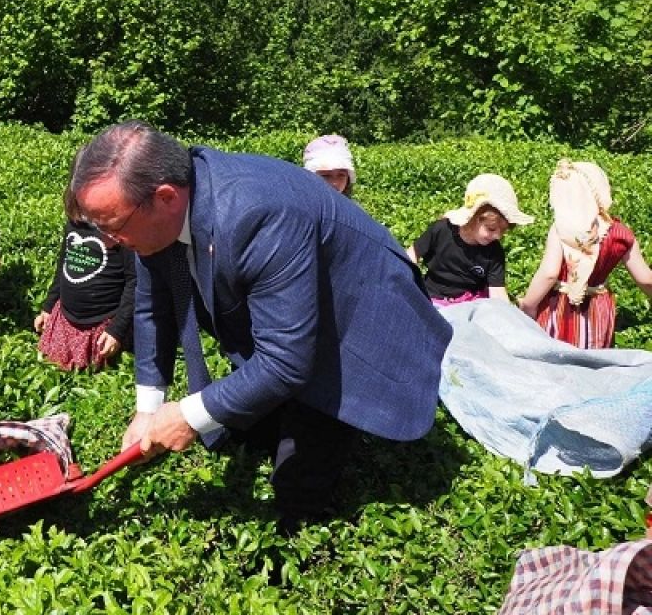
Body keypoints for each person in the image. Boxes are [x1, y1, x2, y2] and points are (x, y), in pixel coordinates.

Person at [66, 120, 452, 532]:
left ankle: (298, 545)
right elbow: (150, 306)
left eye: (112, 225)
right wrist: (148, 411)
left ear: (165, 197)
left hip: (355, 324)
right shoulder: (168, 206)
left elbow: (287, 361)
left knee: (298, 487)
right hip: (294, 320)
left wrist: (187, 416)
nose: (106, 240)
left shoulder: (257, 214)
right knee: (248, 430)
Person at [518, 160, 652, 348]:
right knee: (594, 364)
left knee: (556, 361)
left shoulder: (561, 230)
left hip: (561, 308)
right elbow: (646, 279)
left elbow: (549, 274)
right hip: (598, 307)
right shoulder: (620, 232)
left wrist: (528, 305)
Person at [33, 202, 136, 370]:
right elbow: (63, 268)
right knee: (52, 364)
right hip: (67, 316)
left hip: (104, 322)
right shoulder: (75, 223)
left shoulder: (119, 228)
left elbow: (135, 281)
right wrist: (48, 307)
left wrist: (116, 330)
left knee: (97, 367)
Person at [407, 173, 534, 307]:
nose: (498, 236)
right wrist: (410, 284)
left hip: (472, 301)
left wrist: (507, 314)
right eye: (491, 229)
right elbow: (412, 255)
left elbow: (497, 292)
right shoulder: (441, 230)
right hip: (433, 296)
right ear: (473, 218)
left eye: (503, 231)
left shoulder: (494, 251)